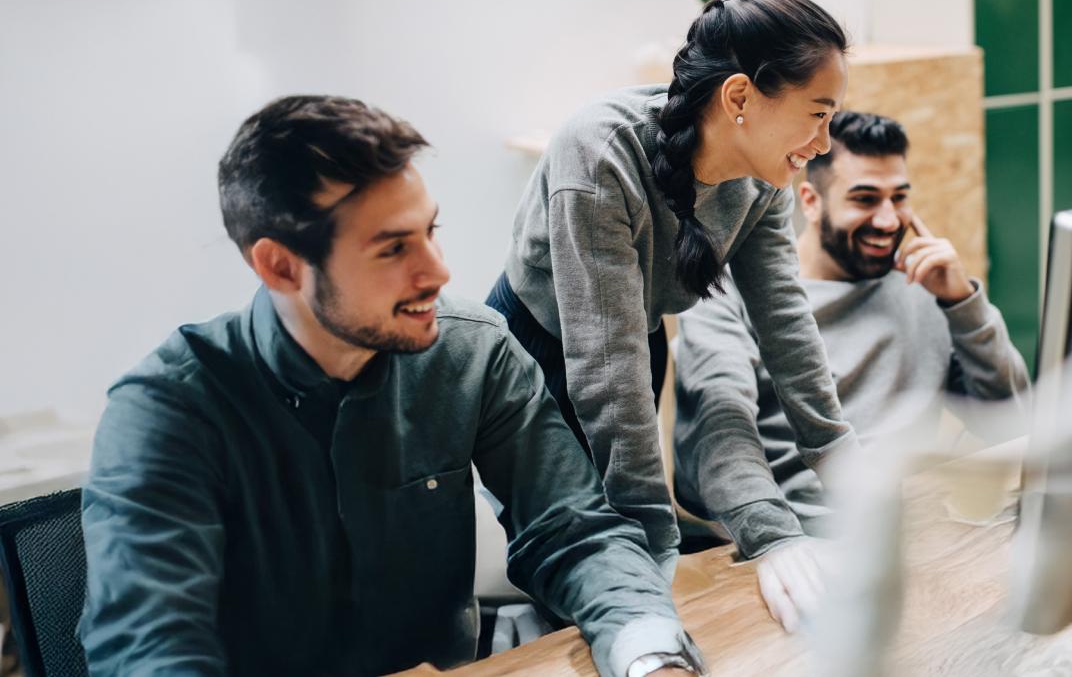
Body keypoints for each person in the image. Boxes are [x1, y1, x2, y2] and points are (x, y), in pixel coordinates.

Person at [80, 96, 702, 677]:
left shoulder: (472, 350)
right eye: (393, 248)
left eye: (430, 231)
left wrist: (649, 653)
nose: (437, 270)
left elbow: (574, 530)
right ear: (279, 265)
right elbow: (150, 650)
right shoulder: (165, 411)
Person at [484, 0, 858, 585]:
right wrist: (654, 551)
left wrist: (843, 466)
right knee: (574, 554)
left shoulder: (763, 180)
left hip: (635, 338)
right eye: (817, 113)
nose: (823, 142)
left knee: (632, 541)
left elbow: (784, 322)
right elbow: (606, 362)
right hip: (535, 356)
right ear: (740, 96)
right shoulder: (600, 153)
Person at [673, 111, 1029, 630]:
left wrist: (963, 303)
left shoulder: (925, 287)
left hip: (920, 550)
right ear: (810, 202)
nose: (889, 221)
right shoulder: (729, 297)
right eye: (865, 199)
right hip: (794, 562)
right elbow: (712, 444)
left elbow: (1015, 422)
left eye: (900, 198)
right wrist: (788, 541)